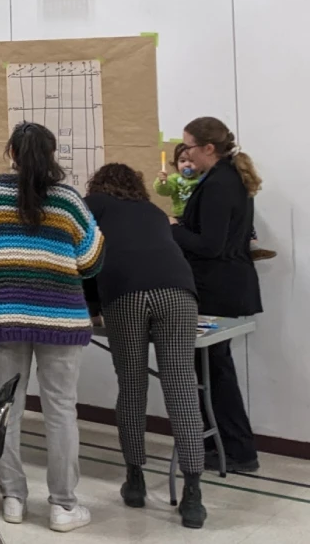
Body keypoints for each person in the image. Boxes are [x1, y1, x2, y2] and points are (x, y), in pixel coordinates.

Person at [0, 122, 104, 532]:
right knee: (61, 411)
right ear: (52, 154)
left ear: (12, 153)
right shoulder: (68, 200)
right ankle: (63, 506)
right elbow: (92, 260)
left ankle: (12, 498)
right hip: (61, 319)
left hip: (2, 316)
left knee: (6, 408)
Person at [82, 163, 206, 528]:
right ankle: (193, 495)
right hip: (179, 292)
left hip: (125, 293)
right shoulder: (153, 211)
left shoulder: (92, 205)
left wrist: (93, 307)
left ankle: (135, 481)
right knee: (182, 387)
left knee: (132, 387)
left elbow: (87, 259)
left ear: (98, 184)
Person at [172, 116, 262, 473]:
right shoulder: (224, 178)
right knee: (212, 370)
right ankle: (220, 446)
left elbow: (210, 245)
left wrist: (173, 229)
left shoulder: (219, 184)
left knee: (215, 372)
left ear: (209, 148)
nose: (186, 153)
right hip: (222, 284)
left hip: (217, 287)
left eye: (189, 147)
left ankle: (237, 450)